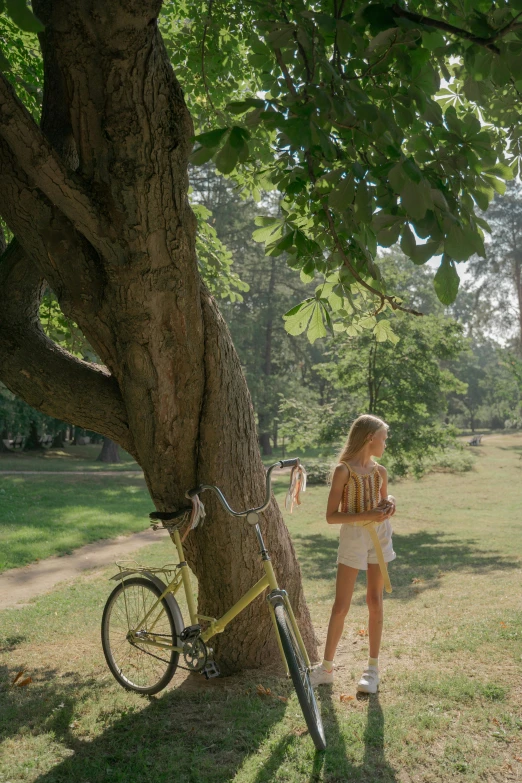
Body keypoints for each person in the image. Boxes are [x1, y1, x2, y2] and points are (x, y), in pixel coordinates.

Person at [310, 414, 396, 693]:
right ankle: (326, 668)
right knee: (341, 605)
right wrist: (367, 514)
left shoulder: (380, 471)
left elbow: (383, 500)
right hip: (353, 537)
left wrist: (390, 503)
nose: (385, 442)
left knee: (374, 600)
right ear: (370, 438)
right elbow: (331, 517)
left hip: (379, 537)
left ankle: (372, 669)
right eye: (383, 437)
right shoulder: (343, 470)